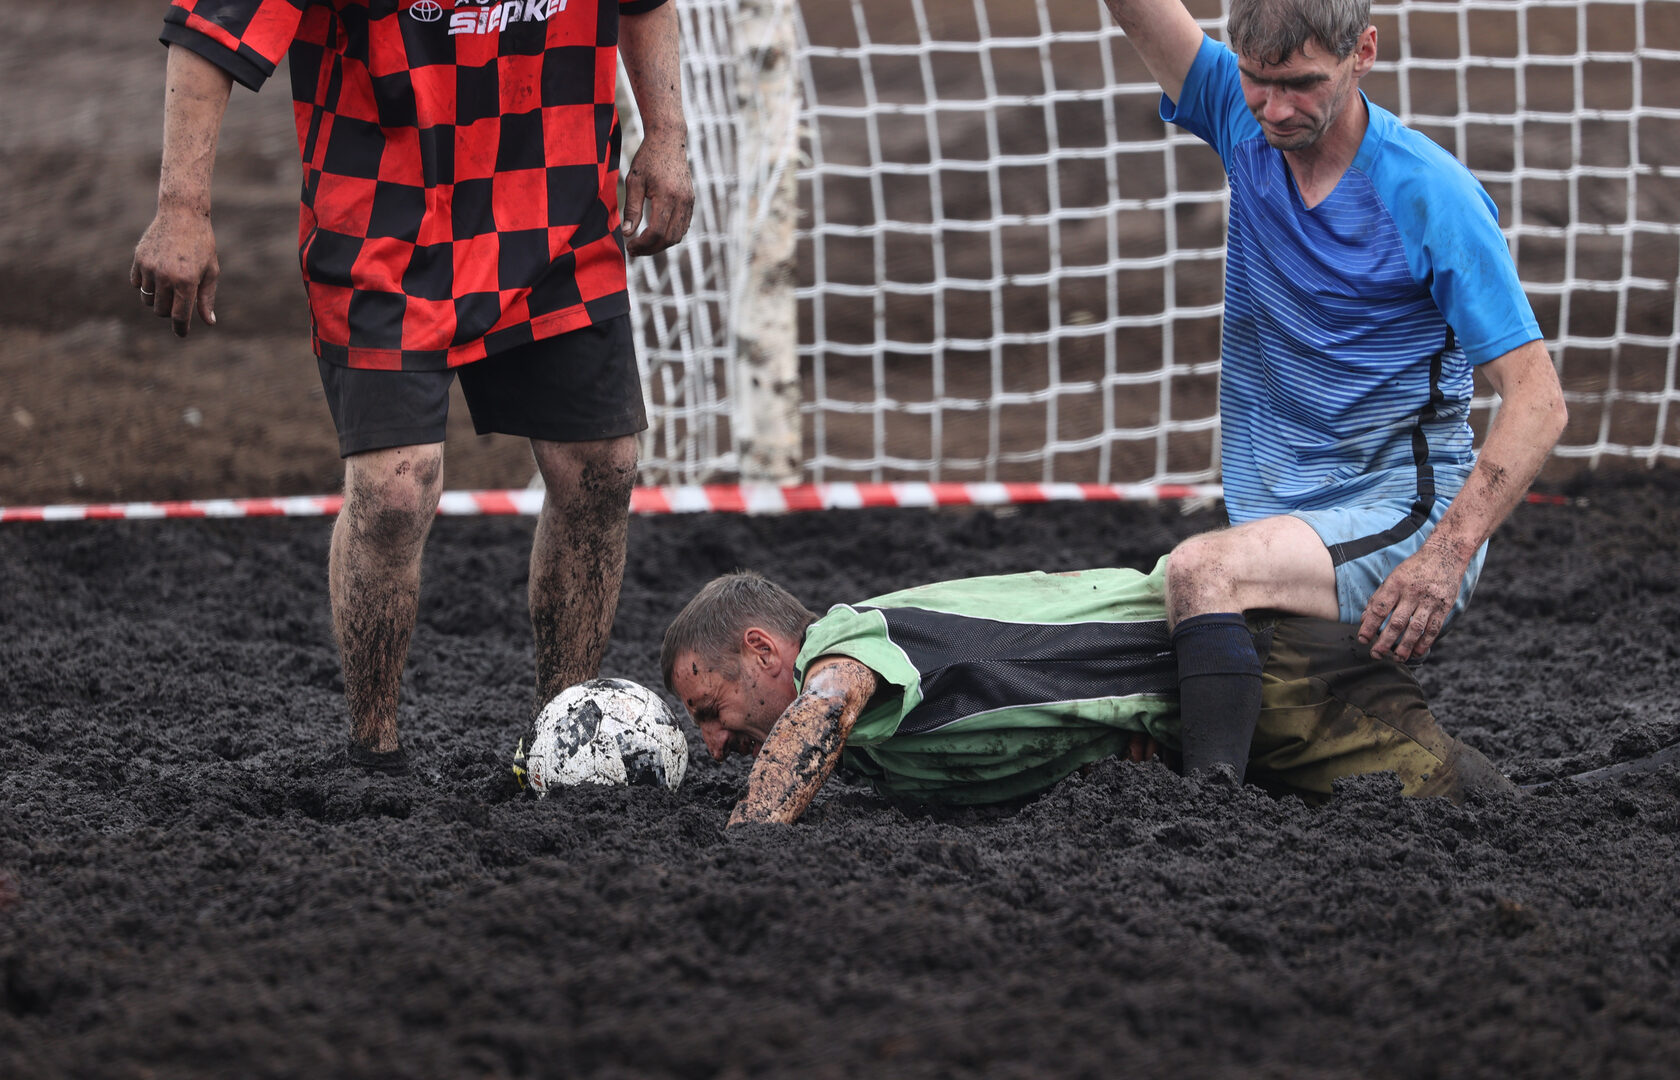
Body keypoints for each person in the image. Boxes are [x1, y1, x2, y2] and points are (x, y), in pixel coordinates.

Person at [130, 1, 694, 772]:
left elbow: (645, 5)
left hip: (556, 207)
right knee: (396, 490)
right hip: (381, 225)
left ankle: (564, 735)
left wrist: (665, 136)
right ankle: (373, 751)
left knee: (602, 466)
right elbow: (210, 32)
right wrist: (181, 208)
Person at [1094, 0, 1568, 779]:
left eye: (1303, 85)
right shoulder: (1239, 113)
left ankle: (1205, 814)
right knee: (1170, 640)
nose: (1276, 108)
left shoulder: (1429, 192)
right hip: (1291, 518)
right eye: (1257, 81)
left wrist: (1444, 558)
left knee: (1199, 573)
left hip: (1402, 514)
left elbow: (1540, 401)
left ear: (1364, 53)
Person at [660, 564, 1516, 827]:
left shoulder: (847, 644)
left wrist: (749, 836)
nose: (714, 742)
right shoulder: (878, 754)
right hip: (1210, 734)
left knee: (1493, 811)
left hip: (1258, 668)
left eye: (710, 709)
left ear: (764, 649)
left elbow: (821, 706)